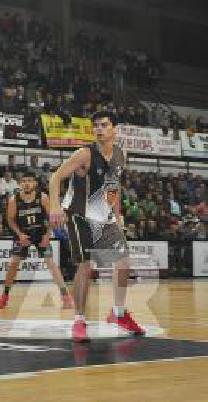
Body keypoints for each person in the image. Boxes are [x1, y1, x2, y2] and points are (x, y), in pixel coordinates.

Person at [49, 111, 146, 342]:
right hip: (78, 215)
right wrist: (54, 206)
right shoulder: (84, 154)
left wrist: (118, 215)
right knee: (85, 266)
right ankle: (79, 320)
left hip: (105, 217)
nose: (99, 129)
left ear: (115, 129)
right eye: (96, 125)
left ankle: (118, 313)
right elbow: (55, 177)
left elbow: (114, 187)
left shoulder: (121, 155)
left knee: (123, 262)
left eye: (104, 125)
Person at [0, 172, 73, 309]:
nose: (26, 183)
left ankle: (65, 296)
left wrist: (47, 235)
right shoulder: (14, 200)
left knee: (51, 263)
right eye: (24, 180)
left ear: (35, 183)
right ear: (20, 184)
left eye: (29, 180)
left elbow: (52, 218)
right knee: (14, 263)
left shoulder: (42, 198)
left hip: (40, 233)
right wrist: (19, 234)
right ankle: (5, 296)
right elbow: (10, 220)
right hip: (23, 233)